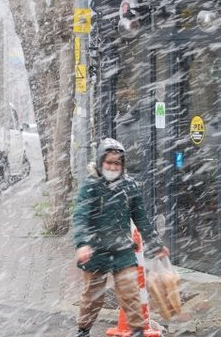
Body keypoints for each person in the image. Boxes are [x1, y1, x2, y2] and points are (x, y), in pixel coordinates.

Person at [72, 138, 169, 337]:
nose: (112, 166)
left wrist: (156, 244)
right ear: (100, 161)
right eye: (108, 162)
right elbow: (80, 216)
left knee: (130, 293)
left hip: (122, 249)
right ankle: (83, 330)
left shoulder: (129, 186)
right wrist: (82, 244)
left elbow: (140, 217)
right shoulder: (90, 186)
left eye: (117, 163)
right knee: (93, 296)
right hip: (95, 250)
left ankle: (137, 332)